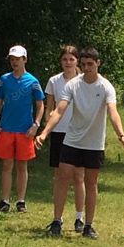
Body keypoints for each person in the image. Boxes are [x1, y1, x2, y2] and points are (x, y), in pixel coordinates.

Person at [36, 47, 124, 238]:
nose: (86, 68)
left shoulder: (106, 87)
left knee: (91, 183)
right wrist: (44, 133)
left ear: (98, 64)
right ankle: (56, 222)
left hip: (94, 144)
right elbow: (60, 110)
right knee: (62, 179)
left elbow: (113, 112)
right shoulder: (73, 85)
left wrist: (122, 136)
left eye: (90, 64)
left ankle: (88, 225)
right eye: (84, 64)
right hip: (72, 141)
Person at [0, 45, 45, 213]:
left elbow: (40, 104)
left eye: (17, 59)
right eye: (12, 59)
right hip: (6, 128)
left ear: (25, 60)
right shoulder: (4, 79)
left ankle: (21, 201)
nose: (14, 62)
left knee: (22, 166)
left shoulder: (33, 81)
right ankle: (4, 200)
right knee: (7, 165)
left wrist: (36, 124)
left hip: (25, 130)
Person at [43, 45, 82, 230]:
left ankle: (79, 217)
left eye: (71, 59)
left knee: (78, 176)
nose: (68, 63)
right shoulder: (54, 81)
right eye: (65, 59)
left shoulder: (83, 82)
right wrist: (47, 126)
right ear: (61, 61)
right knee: (59, 176)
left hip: (78, 133)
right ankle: (57, 219)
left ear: (77, 61)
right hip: (59, 131)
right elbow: (49, 107)